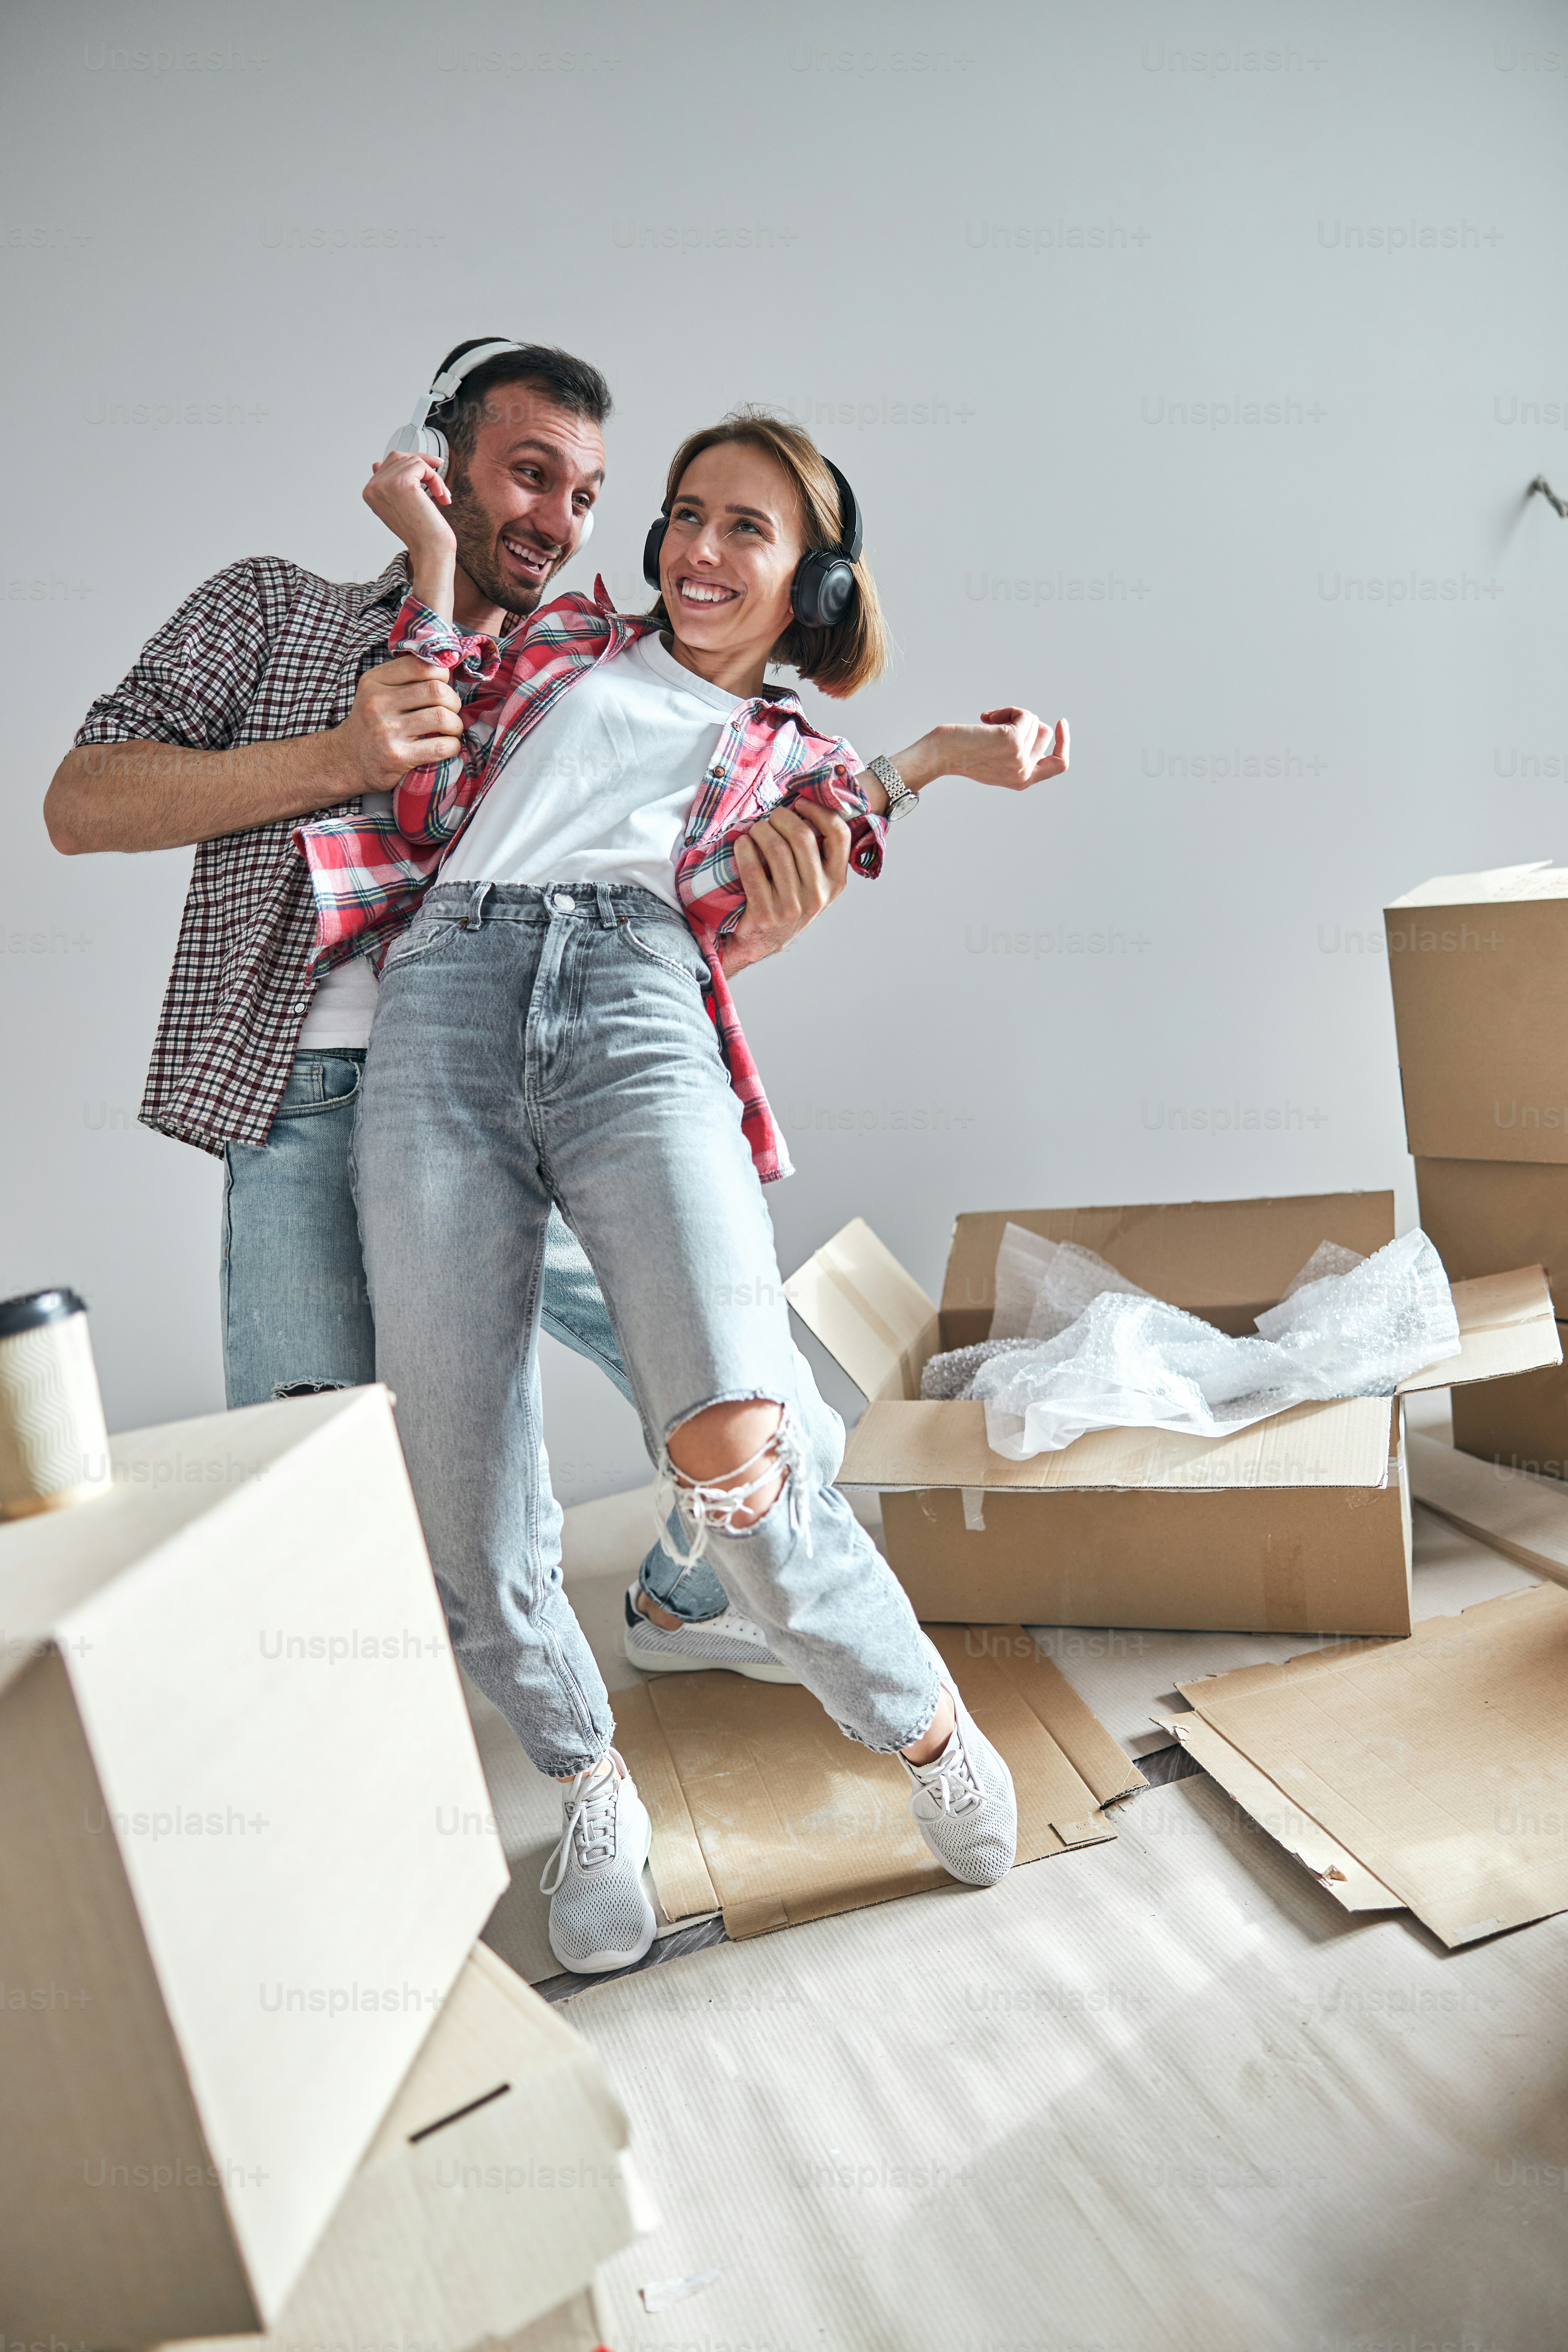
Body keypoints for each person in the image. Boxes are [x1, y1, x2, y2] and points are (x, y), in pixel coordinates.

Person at [296, 409, 1070, 1972]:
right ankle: (590, 1784)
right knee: (461, 1486)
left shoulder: (793, 755)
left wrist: (933, 759)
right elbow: (419, 780)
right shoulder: (561, 641)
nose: (701, 550)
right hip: (440, 1000)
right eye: (686, 515)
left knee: (738, 1447)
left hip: (635, 1002)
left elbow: (792, 856)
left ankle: (925, 1731)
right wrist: (436, 553)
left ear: (814, 587)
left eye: (748, 529)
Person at [44, 338, 852, 1670]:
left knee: (775, 1416)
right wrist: (343, 755)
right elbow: (82, 801)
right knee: (319, 1485)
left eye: (586, 497)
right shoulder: (274, 609)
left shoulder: (588, 666)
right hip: (311, 1099)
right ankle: (396, 1749)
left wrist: (766, 922)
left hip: (527, 1094)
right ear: (440, 464)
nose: (557, 521)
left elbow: (648, 922)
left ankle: (680, 1603)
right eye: (530, 475)